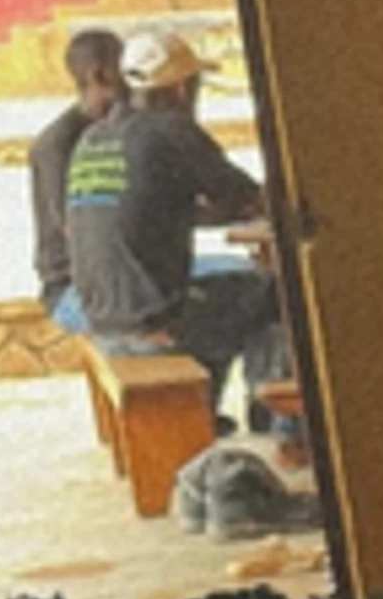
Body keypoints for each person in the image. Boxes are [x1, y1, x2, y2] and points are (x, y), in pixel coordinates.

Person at [63, 29, 279, 417]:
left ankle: (203, 413)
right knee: (272, 295)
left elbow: (144, 210)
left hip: (100, 318)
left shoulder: (94, 137)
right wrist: (237, 208)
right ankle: (280, 426)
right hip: (153, 327)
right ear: (182, 87)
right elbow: (253, 198)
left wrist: (194, 210)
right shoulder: (172, 130)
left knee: (228, 296)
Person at [27, 27, 124, 328]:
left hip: (121, 281)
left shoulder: (122, 129)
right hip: (75, 289)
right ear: (100, 75)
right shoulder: (57, 145)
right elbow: (78, 228)